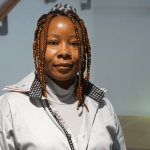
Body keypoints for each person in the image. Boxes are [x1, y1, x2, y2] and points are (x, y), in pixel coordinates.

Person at [0, 3, 127, 150]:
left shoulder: (103, 106)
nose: (64, 52)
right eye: (53, 43)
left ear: (84, 51)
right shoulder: (11, 106)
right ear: (38, 49)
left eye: (74, 43)